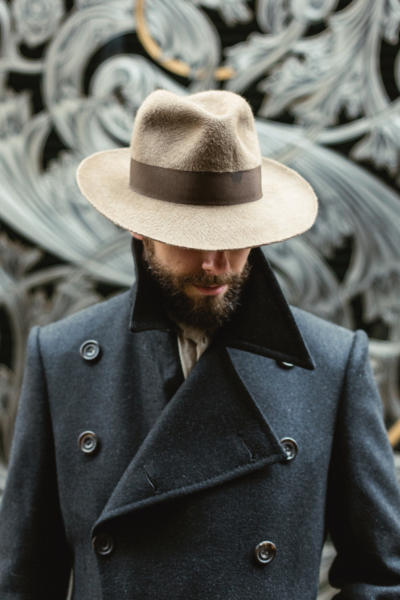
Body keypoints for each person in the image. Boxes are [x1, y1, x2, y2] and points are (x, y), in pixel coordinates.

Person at [0, 89, 399, 599]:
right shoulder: (60, 359)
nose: (214, 263)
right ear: (139, 229)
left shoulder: (332, 365)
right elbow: (24, 582)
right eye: (189, 235)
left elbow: (382, 576)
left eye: (233, 234)